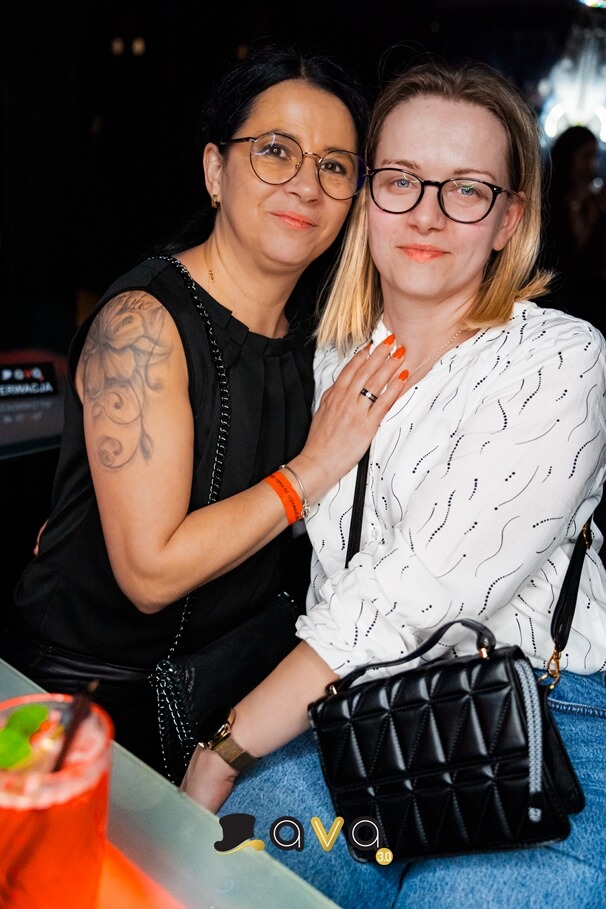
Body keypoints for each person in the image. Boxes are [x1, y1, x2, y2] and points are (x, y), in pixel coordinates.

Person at [182, 60, 606, 909]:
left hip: (547, 712)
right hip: (351, 712)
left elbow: (409, 595)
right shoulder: (330, 353)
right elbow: (260, 505)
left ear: (509, 217)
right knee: (230, 880)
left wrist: (226, 745)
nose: (427, 214)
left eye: (467, 190)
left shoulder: (561, 357)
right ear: (367, 196)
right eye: (402, 180)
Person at [0, 45, 411, 775]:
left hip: (230, 690)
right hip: (87, 703)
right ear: (216, 171)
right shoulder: (143, 323)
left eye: (335, 165)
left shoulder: (324, 337)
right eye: (276, 151)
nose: (306, 184)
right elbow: (150, 574)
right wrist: (312, 469)